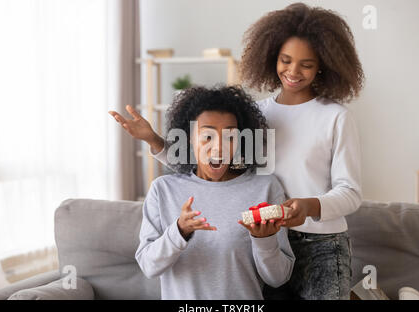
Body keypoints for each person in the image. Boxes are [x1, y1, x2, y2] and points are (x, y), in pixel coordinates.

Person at [110, 2, 363, 300]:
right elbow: (208, 160)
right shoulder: (256, 115)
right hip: (259, 240)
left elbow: (351, 192)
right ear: (271, 58)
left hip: (320, 243)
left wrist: (309, 206)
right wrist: (155, 141)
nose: (293, 71)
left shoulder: (334, 116)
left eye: (306, 64)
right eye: (285, 60)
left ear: (324, 65)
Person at [123, 86, 295, 299]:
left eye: (230, 137)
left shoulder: (265, 188)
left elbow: (278, 278)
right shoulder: (163, 190)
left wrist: (265, 240)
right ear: (188, 138)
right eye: (207, 137)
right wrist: (179, 231)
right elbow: (149, 267)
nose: (219, 148)